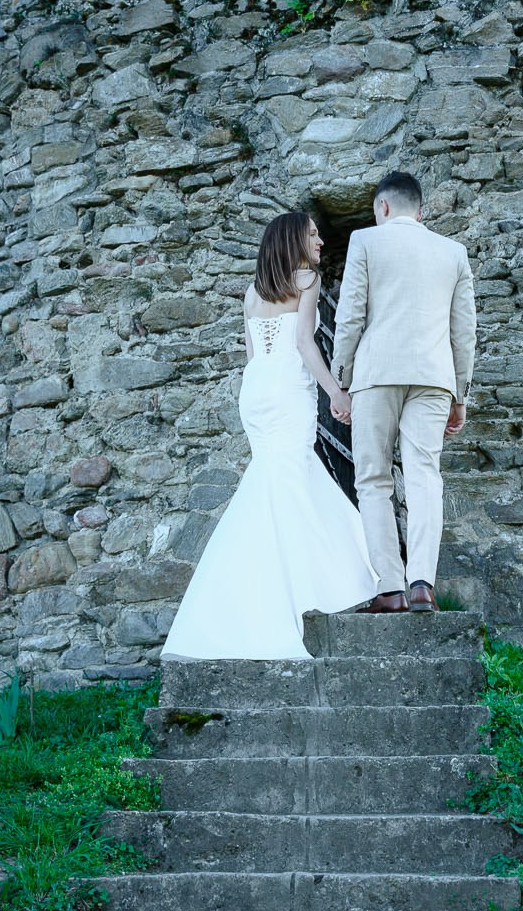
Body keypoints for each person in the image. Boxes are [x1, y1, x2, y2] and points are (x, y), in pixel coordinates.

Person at [161, 212, 377, 659]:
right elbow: (303, 343)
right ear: (294, 239)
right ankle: (311, 592)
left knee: (273, 482)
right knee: (290, 479)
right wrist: (335, 390)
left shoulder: (252, 291)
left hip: (256, 390)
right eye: (313, 235)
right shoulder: (307, 280)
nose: (320, 242)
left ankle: (257, 597)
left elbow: (252, 354)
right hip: (285, 388)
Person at [332, 171, 477, 614]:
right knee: (424, 476)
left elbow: (350, 315)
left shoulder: (365, 242)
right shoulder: (453, 252)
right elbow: (464, 331)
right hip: (434, 376)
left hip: (376, 373)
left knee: (373, 479)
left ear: (384, 207)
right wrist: (460, 394)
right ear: (422, 210)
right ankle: (422, 585)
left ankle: (390, 587)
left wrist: (342, 379)